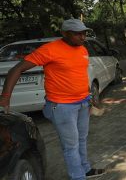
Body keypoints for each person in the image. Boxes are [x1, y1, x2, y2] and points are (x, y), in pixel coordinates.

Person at [0, 19, 105, 180]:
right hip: (62, 107)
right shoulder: (50, 50)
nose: (82, 37)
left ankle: (86, 170)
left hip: (83, 103)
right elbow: (18, 68)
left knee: (82, 139)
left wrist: (90, 96)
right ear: (64, 33)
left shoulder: (82, 49)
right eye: (77, 34)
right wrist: (5, 97)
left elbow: (79, 75)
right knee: (71, 145)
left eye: (84, 33)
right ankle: (78, 176)